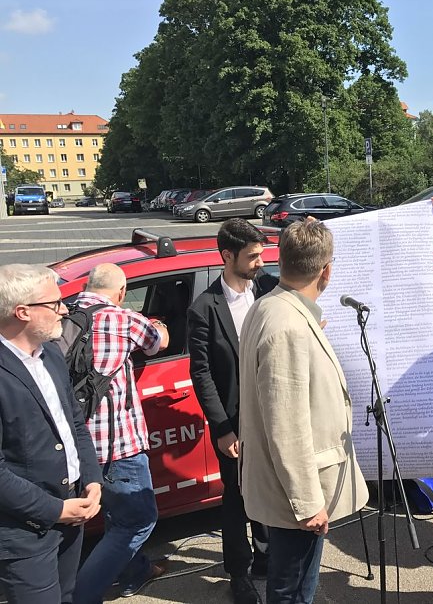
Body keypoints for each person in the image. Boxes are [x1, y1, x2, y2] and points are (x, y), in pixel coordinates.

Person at [238, 220, 367, 604]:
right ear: (326, 270)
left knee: (292, 585)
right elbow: (286, 424)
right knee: (293, 592)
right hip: (296, 495)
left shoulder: (271, 307)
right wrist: (308, 503)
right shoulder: (289, 327)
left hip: (288, 488)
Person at [0, 265, 102, 603]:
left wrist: (92, 479)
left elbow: (74, 424)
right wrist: (55, 510)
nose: (64, 310)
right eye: (55, 303)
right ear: (23, 312)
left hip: (73, 511)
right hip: (25, 531)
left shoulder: (51, 356)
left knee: (68, 595)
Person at [188, 219, 277, 604]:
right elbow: (202, 373)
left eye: (262, 255)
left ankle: (266, 557)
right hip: (234, 423)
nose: (260, 263)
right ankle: (238, 573)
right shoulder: (204, 308)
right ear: (227, 256)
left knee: (269, 490)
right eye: (253, 256)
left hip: (271, 415)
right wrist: (222, 429)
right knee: (237, 498)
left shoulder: (269, 290)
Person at [72, 263, 170, 602]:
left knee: (118, 516)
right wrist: (156, 322)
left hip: (76, 447)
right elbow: (159, 342)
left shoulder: (64, 318)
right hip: (119, 447)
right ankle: (81, 596)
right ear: (122, 292)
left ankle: (134, 572)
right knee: (138, 520)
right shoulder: (123, 320)